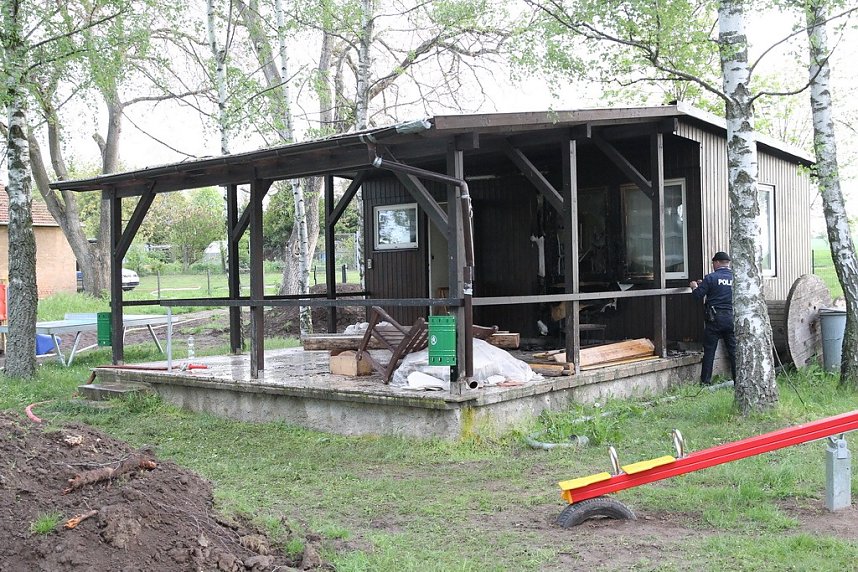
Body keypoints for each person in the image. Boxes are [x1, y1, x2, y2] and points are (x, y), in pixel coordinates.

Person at [690, 251, 736, 385]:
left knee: (709, 351)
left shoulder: (711, 278)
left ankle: (705, 382)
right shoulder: (735, 278)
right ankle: (738, 380)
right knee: (733, 351)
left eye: (713, 263)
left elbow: (697, 295)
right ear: (727, 264)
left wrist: (694, 287)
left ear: (716, 263)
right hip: (731, 318)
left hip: (714, 319)